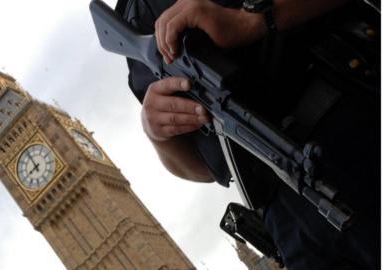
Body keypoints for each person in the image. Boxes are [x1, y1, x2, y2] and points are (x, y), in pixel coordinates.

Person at [114, 0, 380, 269]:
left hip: (355, 129)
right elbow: (206, 170)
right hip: (287, 217)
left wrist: (252, 21)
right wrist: (159, 134)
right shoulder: (130, 21)